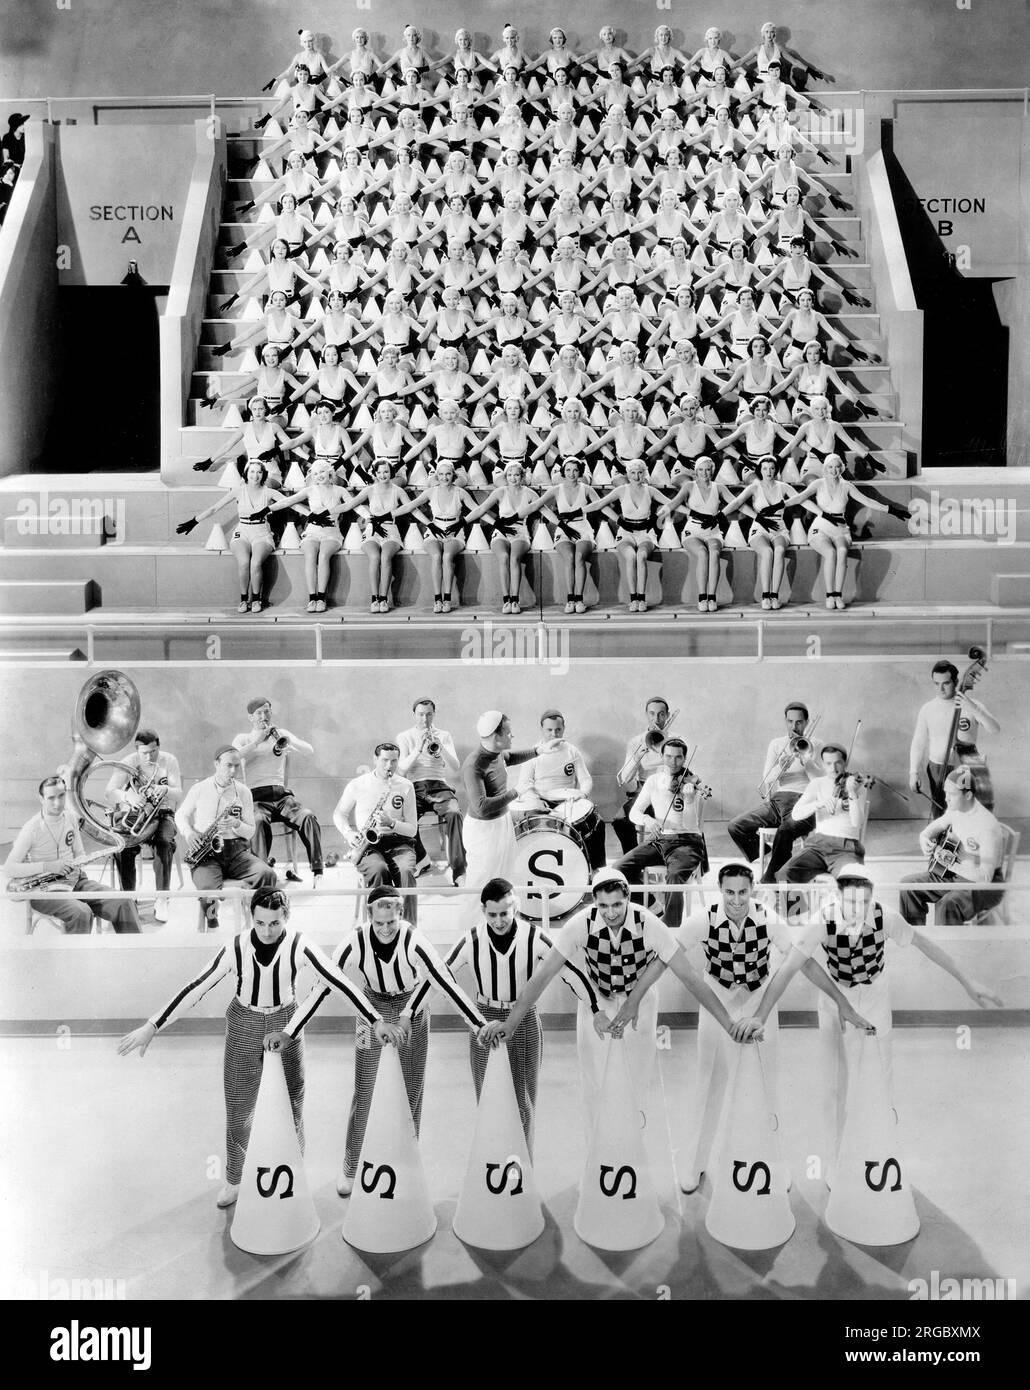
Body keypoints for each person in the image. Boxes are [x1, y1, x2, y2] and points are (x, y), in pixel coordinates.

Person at [118, 886, 398, 1208]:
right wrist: (153, 1025)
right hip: (244, 1023)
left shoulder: (299, 945)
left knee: (293, 1102)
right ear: (252, 918)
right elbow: (196, 988)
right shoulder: (235, 948)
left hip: (287, 1023)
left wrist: (376, 1020)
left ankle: (293, 1172)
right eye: (261, 922)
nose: (267, 931)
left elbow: (340, 982)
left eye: (275, 923)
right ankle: (235, 1179)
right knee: (239, 1109)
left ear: (286, 918)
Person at [609, 862, 875, 1193]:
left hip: (759, 997)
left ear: (753, 890)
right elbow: (666, 959)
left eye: (743, 892)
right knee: (708, 1081)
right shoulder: (702, 920)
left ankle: (774, 1165)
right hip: (717, 997)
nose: (736, 899)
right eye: (730, 892)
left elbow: (802, 962)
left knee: (768, 1085)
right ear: (720, 891)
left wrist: (842, 1002)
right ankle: (695, 1165)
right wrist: (635, 999)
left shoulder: (767, 918)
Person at [487, 867, 760, 1134]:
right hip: (597, 998)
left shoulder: (649, 923)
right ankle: (598, 1141)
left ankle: (630, 1133)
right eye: (603, 906)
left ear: (628, 898)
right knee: (593, 1075)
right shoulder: (580, 924)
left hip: (639, 998)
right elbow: (542, 976)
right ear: (595, 902)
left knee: (637, 1074)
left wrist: (727, 1024)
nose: (611, 912)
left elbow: (690, 977)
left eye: (617, 904)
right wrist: (510, 1024)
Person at [271, 885, 490, 1195]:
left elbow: (445, 983)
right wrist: (290, 1031)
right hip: (370, 1010)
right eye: (379, 922)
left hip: (409, 1011)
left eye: (392, 922)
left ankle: (407, 1164)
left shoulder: (414, 939)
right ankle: (351, 1166)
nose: (386, 929)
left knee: (411, 1091)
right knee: (365, 1092)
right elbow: (324, 987)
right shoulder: (354, 941)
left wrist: (478, 1025)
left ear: (400, 915)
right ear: (368, 916)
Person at [799, 869, 1001, 1180]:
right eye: (851, 902)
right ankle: (834, 1161)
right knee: (834, 1086)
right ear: (839, 897)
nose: (858, 909)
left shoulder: (885, 916)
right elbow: (797, 962)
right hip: (835, 998)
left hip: (875, 996)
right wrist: (837, 1003)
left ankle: (878, 1153)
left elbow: (926, 945)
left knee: (880, 1080)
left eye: (864, 902)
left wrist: (967, 981)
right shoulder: (821, 919)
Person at [415, 877, 601, 1152]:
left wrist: (597, 1009)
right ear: (483, 911)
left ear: (516, 906)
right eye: (492, 914)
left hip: (523, 1018)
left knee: (524, 1101)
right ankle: (493, 1167)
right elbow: (439, 978)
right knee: (488, 1098)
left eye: (504, 913)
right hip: (484, 1022)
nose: (499, 920)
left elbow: (571, 974)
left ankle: (523, 1173)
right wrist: (408, 1014)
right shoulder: (471, 940)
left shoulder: (535, 937)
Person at [5, 775, 142, 935]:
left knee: (123, 902)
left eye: (61, 795)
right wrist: (49, 866)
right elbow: (9, 869)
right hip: (44, 890)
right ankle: (76, 959)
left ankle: (135, 955)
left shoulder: (70, 817)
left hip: (74, 881)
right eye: (51, 798)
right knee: (81, 913)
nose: (58, 803)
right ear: (41, 799)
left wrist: (80, 862)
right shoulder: (32, 828)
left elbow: (79, 853)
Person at [460, 711, 561, 919]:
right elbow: (481, 807)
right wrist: (517, 792)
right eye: (508, 733)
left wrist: (539, 750)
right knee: (480, 881)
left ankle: (503, 919)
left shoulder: (496, 752)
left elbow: (509, 757)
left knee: (505, 873)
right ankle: (470, 925)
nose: (512, 736)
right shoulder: (473, 765)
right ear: (496, 737)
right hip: (482, 830)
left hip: (501, 822)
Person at [175, 746, 277, 929]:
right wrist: (189, 833)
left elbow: (250, 831)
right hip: (207, 853)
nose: (233, 771)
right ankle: (212, 922)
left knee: (267, 874)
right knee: (207, 889)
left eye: (237, 766)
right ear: (216, 764)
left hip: (237, 852)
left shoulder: (244, 792)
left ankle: (260, 922)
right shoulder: (200, 788)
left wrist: (236, 824)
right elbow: (180, 815)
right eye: (228, 765)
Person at [614, 736, 709, 930]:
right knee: (618, 869)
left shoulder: (692, 783)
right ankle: (653, 907)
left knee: (674, 878)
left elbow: (691, 824)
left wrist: (689, 800)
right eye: (668, 756)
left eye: (678, 758)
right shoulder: (653, 780)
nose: (673, 762)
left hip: (687, 841)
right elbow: (634, 812)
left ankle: (671, 928)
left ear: (684, 759)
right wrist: (648, 821)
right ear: (662, 756)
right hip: (659, 839)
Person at [232, 697, 323, 887]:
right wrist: (257, 742)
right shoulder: (243, 738)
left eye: (267, 711)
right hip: (255, 798)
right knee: (257, 822)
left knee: (307, 817)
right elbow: (233, 758)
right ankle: (262, 875)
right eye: (259, 713)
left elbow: (310, 751)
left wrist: (290, 741)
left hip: (281, 796)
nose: (264, 716)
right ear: (251, 717)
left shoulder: (280, 733)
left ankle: (318, 872)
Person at [728, 702, 821, 883]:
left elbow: (821, 780)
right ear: (785, 721)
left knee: (784, 832)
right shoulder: (777, 744)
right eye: (790, 721)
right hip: (778, 800)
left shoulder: (816, 744)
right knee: (735, 826)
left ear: (807, 722)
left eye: (799, 722)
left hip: (804, 800)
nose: (794, 727)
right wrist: (780, 767)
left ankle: (769, 880)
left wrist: (807, 761)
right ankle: (773, 856)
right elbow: (767, 779)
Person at [900, 768, 1006, 927]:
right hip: (955, 874)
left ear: (968, 795)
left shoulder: (986, 826)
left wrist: (951, 864)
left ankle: (948, 948)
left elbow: (984, 878)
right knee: (908, 886)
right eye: (945, 792)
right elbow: (928, 832)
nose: (946, 798)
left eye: (952, 794)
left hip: (984, 885)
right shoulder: (956, 809)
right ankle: (915, 939)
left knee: (946, 905)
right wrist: (924, 840)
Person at [334, 741, 418, 925]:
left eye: (394, 761)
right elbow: (339, 813)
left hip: (400, 842)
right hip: (368, 844)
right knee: (379, 870)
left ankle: (410, 926)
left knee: (406, 872)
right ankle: (378, 925)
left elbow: (412, 829)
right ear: (375, 759)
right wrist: (349, 834)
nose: (390, 766)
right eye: (385, 761)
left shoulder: (405, 786)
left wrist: (392, 823)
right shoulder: (358, 784)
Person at [515, 709, 607, 871]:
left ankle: (596, 870)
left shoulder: (572, 751)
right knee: (533, 823)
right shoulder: (533, 753)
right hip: (541, 803)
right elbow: (524, 784)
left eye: (558, 729)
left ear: (563, 728)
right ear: (542, 729)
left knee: (597, 822)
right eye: (549, 730)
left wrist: (582, 794)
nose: (554, 734)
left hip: (568, 802)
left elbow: (585, 779)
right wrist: (536, 801)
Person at [105, 729, 182, 921]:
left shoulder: (169, 760)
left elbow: (178, 793)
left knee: (165, 842)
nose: (149, 756)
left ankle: (162, 898)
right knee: (124, 845)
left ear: (158, 746)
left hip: (164, 813)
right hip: (137, 815)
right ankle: (129, 899)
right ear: (137, 750)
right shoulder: (129, 762)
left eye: (153, 751)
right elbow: (110, 791)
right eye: (144, 753)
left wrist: (164, 789)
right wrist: (127, 796)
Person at [909, 660, 1000, 817]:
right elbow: (918, 742)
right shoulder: (928, 708)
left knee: (967, 812)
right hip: (937, 767)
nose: (940, 688)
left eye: (946, 683)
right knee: (940, 811)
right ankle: (941, 841)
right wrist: (913, 772)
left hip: (967, 767)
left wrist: (975, 709)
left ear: (956, 682)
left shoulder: (972, 705)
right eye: (936, 683)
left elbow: (995, 729)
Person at [396, 697, 466, 885]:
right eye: (420, 715)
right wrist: (418, 749)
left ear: (434, 714)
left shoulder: (443, 735)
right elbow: (402, 769)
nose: (424, 719)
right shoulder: (404, 736)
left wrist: (441, 747)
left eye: (429, 715)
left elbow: (456, 766)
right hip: (414, 786)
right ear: (414, 715)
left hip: (439, 785)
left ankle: (459, 869)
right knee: (403, 818)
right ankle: (421, 859)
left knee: (454, 813)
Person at [780, 743, 869, 884]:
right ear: (822, 764)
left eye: (838, 763)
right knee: (785, 874)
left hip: (846, 847)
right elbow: (796, 815)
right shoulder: (817, 783)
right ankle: (800, 907)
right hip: (818, 846)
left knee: (853, 882)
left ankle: (839, 906)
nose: (833, 768)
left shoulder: (857, 785)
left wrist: (852, 793)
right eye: (828, 763)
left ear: (845, 762)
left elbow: (857, 823)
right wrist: (818, 804)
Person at [613, 696, 675, 855]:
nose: (656, 719)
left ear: (667, 715)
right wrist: (637, 757)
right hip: (644, 792)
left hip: (670, 791)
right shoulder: (636, 741)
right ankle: (633, 858)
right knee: (620, 820)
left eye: (661, 714)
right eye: (652, 714)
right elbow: (625, 778)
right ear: (646, 715)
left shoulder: (676, 739)